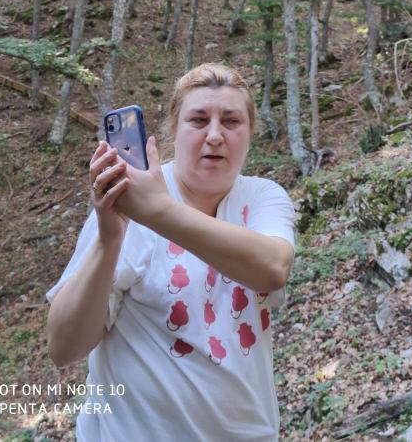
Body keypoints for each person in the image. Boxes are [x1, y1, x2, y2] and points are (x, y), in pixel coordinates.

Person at [46, 63, 296, 441]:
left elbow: (272, 268)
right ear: (173, 131)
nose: (215, 135)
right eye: (198, 120)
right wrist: (109, 239)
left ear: (250, 133)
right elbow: (64, 348)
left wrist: (158, 212)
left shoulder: (262, 198)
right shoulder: (127, 203)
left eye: (231, 121)